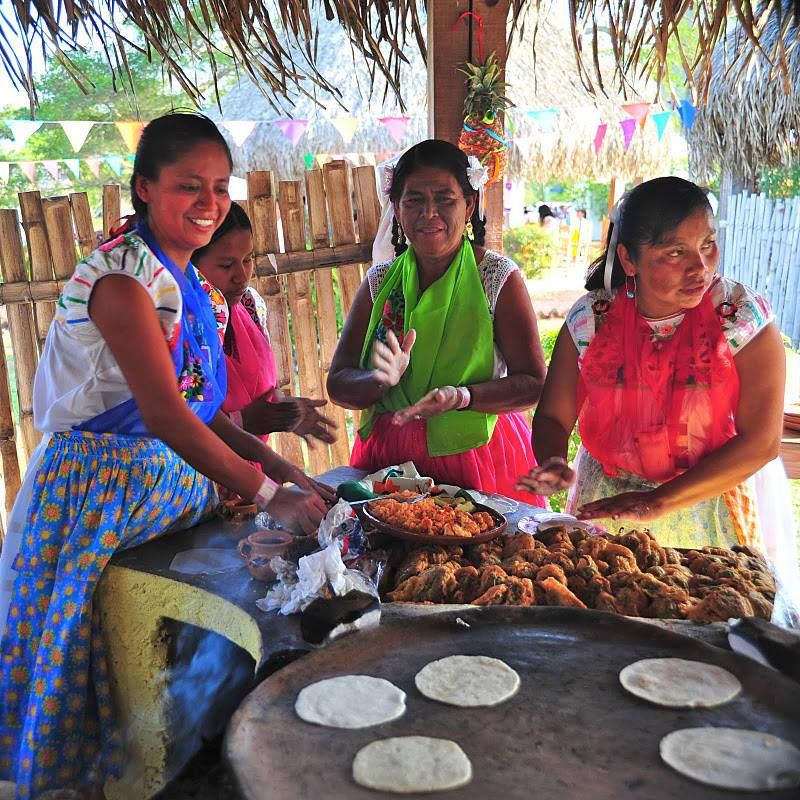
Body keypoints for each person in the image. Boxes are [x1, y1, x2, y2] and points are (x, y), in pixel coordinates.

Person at [0, 113, 334, 799]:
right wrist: (269, 497)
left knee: (152, 661)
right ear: (145, 188)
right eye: (189, 186)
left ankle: (169, 758)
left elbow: (203, 409)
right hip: (94, 495)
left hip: (153, 487)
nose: (209, 203)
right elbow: (165, 414)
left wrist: (285, 469)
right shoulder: (122, 283)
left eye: (219, 186)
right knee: (76, 655)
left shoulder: (188, 285)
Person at [518, 177, 799, 615]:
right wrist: (552, 457)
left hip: (706, 499)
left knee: (699, 620)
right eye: (674, 252)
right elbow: (554, 415)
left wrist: (658, 501)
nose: (700, 267)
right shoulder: (593, 318)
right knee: (606, 618)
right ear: (629, 258)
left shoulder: (742, 320)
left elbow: (760, 443)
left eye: (707, 245)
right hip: (606, 498)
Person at [327, 139, 547, 502]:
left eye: (445, 199)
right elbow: (338, 383)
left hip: (478, 459)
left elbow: (534, 384)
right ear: (396, 210)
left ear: (469, 204)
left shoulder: (496, 279)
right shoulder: (380, 283)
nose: (429, 213)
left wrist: (462, 397)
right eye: (413, 200)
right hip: (391, 464)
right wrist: (379, 380)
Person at [192, 202, 337, 452]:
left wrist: (283, 411)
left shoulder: (250, 306)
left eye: (247, 259)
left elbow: (258, 393)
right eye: (226, 265)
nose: (242, 275)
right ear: (191, 265)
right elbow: (180, 421)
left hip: (255, 474)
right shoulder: (183, 327)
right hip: (201, 482)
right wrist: (243, 421)